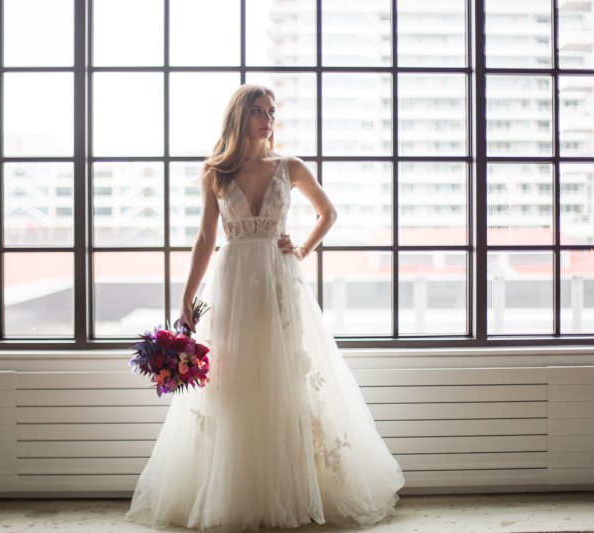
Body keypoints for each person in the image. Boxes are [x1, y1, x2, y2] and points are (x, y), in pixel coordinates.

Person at [126, 84, 404, 531]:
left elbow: (328, 213)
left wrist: (303, 249)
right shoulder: (216, 172)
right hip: (233, 283)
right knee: (233, 382)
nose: (267, 118)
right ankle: (236, 488)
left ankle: (290, 488)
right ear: (239, 116)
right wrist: (185, 297)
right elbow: (204, 240)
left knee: (286, 378)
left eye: (272, 111)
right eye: (258, 110)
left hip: (279, 282)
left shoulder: (288, 166)